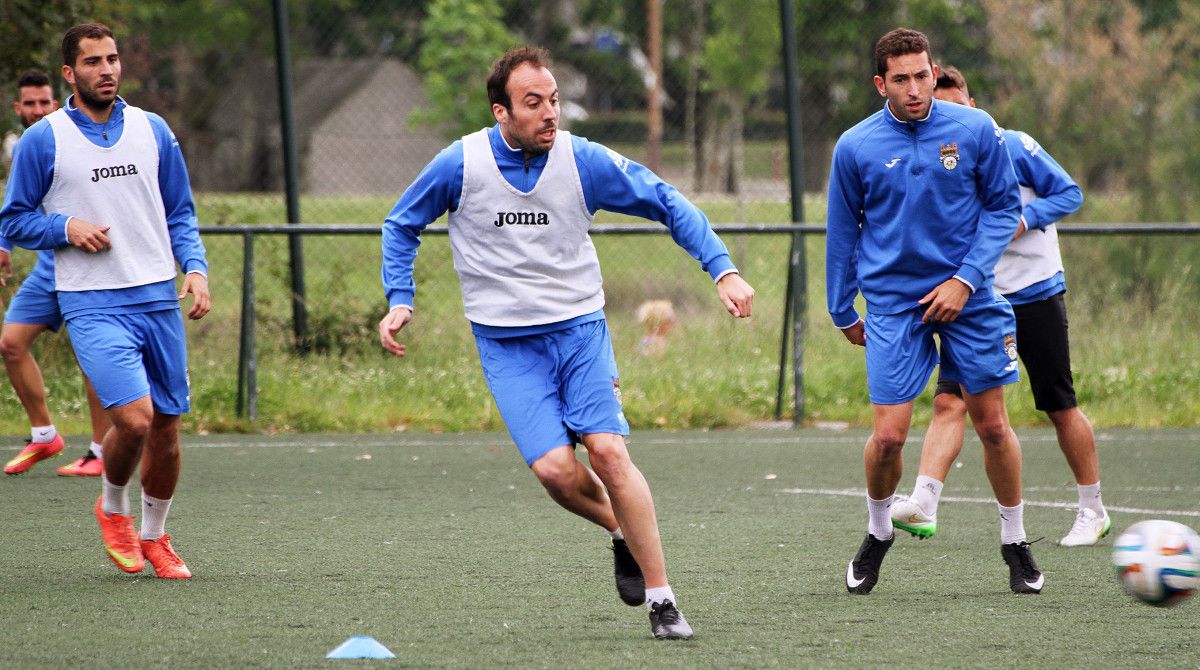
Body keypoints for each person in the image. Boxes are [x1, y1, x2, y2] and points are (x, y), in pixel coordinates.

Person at [379, 46, 754, 639]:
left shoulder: (583, 160)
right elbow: (401, 223)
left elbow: (665, 201)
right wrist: (400, 298)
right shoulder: (460, 164)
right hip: (507, 345)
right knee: (556, 471)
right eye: (534, 103)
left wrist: (723, 269)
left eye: (553, 100)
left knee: (607, 451)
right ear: (501, 112)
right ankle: (619, 531)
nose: (550, 113)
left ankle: (663, 601)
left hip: (579, 331)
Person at [825, 28, 1043, 595]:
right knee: (890, 437)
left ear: (932, 70)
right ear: (881, 84)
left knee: (993, 424)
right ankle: (878, 532)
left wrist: (965, 281)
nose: (916, 88)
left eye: (922, 74)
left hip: (968, 298)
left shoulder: (974, 129)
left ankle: (1015, 542)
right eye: (902, 79)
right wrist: (841, 307)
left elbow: (1001, 209)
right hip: (894, 304)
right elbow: (843, 231)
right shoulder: (854, 146)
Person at [0, 23, 210, 578]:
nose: (108, 69)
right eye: (93, 62)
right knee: (135, 421)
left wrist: (195, 268)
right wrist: (66, 227)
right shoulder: (43, 138)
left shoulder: (153, 129)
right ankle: (112, 508)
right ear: (70, 73)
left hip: (157, 298)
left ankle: (155, 535)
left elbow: (180, 211)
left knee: (166, 426)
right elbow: (15, 219)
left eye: (113, 59)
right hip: (92, 302)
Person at [889, 66, 1109, 547]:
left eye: (956, 103)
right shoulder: (932, 153)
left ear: (973, 104)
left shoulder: (1010, 144)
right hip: (979, 300)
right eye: (937, 105)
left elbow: (1069, 192)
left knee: (1058, 404)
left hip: (1033, 291)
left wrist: (1024, 220)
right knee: (950, 399)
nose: (947, 113)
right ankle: (924, 501)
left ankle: (1092, 508)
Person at [1, 68, 111, 477]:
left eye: (43, 102)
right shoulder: (27, 146)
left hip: (90, 268)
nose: (36, 110)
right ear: (18, 108)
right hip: (51, 268)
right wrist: (3, 244)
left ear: (57, 99)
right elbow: (17, 209)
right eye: (28, 103)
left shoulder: (75, 136)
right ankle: (45, 436)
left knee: (93, 360)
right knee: (11, 343)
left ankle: (100, 452)